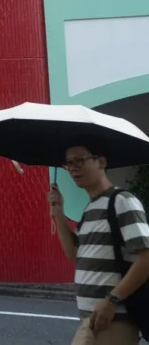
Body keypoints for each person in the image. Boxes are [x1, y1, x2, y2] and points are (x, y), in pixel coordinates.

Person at [49, 140, 149, 345]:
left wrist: (112, 301)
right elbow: (73, 253)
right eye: (69, 163)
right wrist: (58, 212)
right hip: (94, 319)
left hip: (114, 319)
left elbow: (147, 257)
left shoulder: (122, 201)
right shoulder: (91, 208)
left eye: (80, 160)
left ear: (101, 162)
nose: (73, 168)